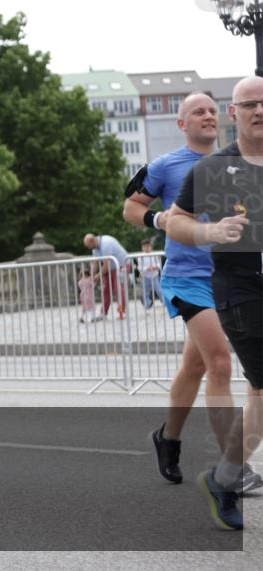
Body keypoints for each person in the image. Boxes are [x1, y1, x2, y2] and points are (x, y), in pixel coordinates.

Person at [122, 91, 260, 491]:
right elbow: (131, 207)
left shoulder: (238, 161)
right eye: (197, 112)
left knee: (196, 366)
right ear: (181, 124)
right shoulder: (166, 166)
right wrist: (158, 218)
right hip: (187, 277)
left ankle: (168, 436)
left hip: (231, 276)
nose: (207, 117)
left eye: (213, 111)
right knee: (220, 363)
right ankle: (233, 469)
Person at [167, 76, 263, 531]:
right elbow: (176, 223)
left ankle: (225, 477)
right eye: (249, 104)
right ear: (234, 113)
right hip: (243, 290)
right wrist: (208, 231)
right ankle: (225, 479)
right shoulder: (213, 169)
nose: (259, 110)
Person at [82, 233, 129, 319]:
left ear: (92, 241)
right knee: (106, 290)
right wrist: (92, 277)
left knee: (118, 289)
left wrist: (98, 276)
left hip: (122, 265)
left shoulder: (106, 244)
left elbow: (106, 265)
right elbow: (96, 263)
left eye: (89, 246)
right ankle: (103, 313)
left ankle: (122, 312)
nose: (88, 248)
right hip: (112, 267)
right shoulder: (95, 248)